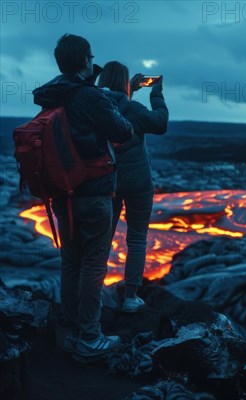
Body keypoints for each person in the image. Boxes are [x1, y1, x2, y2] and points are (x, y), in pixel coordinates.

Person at [32, 34, 133, 357]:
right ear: (84, 60)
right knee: (93, 264)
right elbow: (122, 131)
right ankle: (89, 337)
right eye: (91, 57)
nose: (93, 61)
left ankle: (72, 326)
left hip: (64, 192)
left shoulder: (51, 94)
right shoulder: (90, 97)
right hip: (93, 191)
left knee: (71, 260)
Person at [97, 61, 168, 312]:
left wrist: (130, 91)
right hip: (138, 181)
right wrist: (155, 93)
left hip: (109, 180)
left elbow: (115, 104)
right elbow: (160, 123)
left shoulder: (95, 106)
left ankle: (94, 294)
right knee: (137, 239)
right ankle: (130, 298)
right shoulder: (134, 110)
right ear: (125, 83)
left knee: (103, 239)